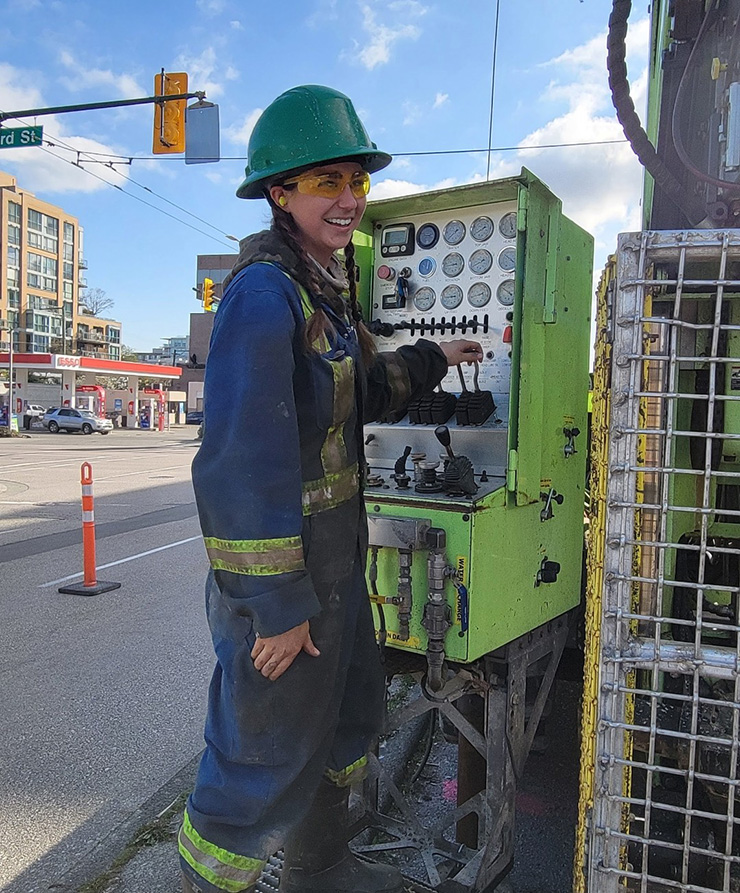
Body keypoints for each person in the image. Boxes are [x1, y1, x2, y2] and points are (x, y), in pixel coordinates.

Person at [179, 84, 483, 893]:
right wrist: (275, 604)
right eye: (326, 183)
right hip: (285, 585)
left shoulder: (325, 294)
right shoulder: (262, 294)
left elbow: (364, 388)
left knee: (341, 729)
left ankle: (320, 869)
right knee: (258, 760)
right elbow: (241, 461)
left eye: (358, 182)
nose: (349, 201)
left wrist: (437, 358)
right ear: (280, 192)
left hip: (335, 572)